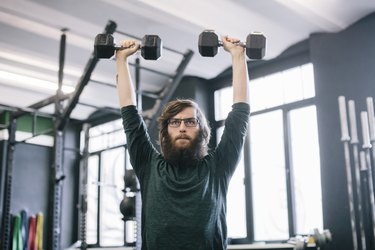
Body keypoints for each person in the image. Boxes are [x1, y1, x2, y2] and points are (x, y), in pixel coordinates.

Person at [115, 35, 250, 250]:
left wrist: (238, 55)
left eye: (190, 121)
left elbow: (240, 115)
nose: (182, 127)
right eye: (174, 122)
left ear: (202, 130)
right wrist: (121, 60)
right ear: (165, 132)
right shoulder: (148, 164)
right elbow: (130, 113)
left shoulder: (217, 167)